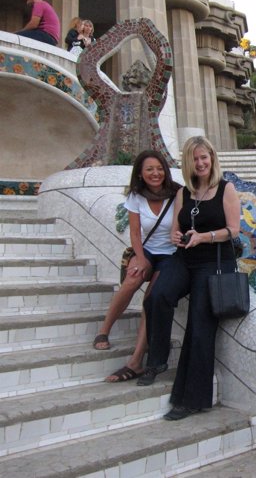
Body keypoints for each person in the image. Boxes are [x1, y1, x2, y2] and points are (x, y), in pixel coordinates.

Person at [140, 136, 241, 422]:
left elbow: (234, 230)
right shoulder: (184, 193)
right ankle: (157, 361)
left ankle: (192, 400)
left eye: (204, 157)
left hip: (214, 261)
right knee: (157, 295)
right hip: (185, 258)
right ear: (188, 162)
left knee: (199, 326)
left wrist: (205, 237)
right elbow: (176, 229)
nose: (200, 163)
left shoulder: (226, 188)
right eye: (195, 159)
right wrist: (177, 236)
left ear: (212, 158)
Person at [92, 150, 180, 383]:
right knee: (132, 278)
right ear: (140, 173)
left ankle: (136, 361)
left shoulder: (177, 193)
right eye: (149, 169)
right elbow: (134, 231)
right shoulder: (136, 196)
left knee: (150, 300)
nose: (155, 173)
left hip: (171, 255)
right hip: (148, 250)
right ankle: (104, 329)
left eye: (159, 168)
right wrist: (140, 259)